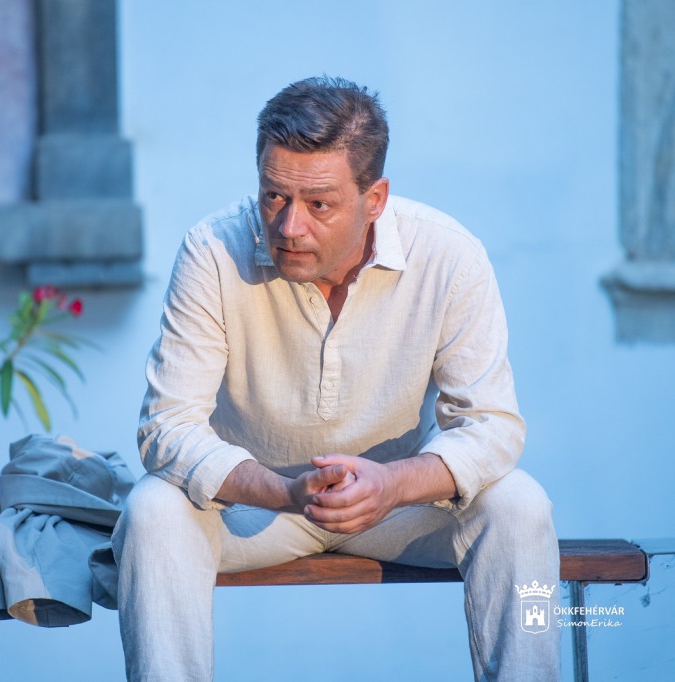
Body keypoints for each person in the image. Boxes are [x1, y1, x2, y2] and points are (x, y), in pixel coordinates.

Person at [112, 76, 560, 681]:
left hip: (399, 509)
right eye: (274, 196)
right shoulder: (212, 250)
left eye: (318, 204)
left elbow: (491, 426)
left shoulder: (450, 256)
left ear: (375, 199)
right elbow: (166, 427)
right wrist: (285, 492)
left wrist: (392, 484)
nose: (289, 225)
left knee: (518, 503)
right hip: (253, 510)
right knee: (152, 509)